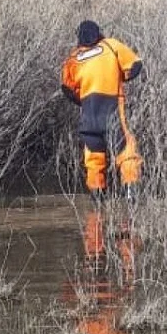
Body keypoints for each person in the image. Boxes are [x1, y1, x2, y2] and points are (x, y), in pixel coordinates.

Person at [60, 20, 144, 200]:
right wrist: (119, 78)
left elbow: (66, 88)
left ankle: (97, 198)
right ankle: (131, 192)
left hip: (89, 113)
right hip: (112, 107)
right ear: (99, 33)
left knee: (93, 154)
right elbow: (136, 66)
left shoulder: (74, 57)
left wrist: (82, 100)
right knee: (125, 149)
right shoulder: (111, 45)